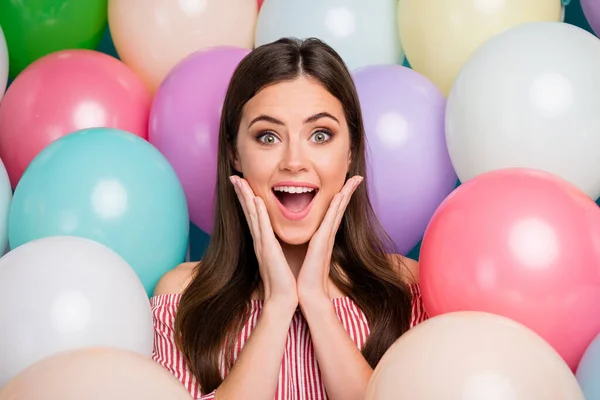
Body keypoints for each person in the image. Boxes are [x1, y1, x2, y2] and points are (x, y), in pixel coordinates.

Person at [151, 37, 429, 400]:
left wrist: (315, 299)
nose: (294, 161)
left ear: (350, 152)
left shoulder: (406, 290)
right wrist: (279, 304)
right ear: (235, 154)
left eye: (320, 135)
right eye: (268, 136)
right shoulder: (183, 298)